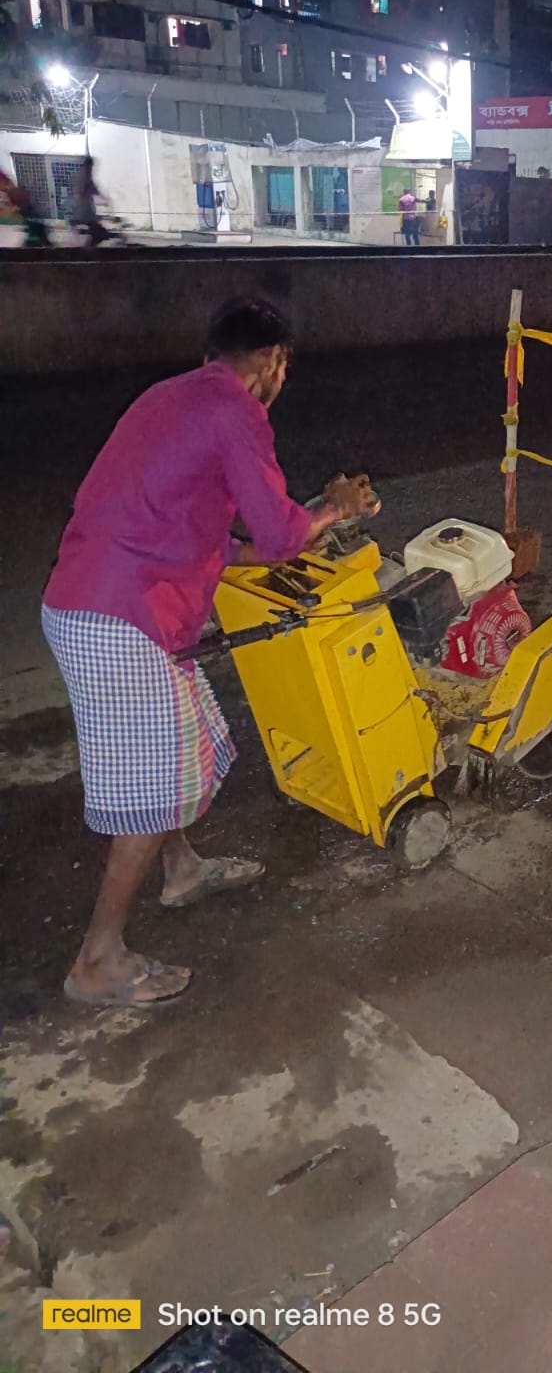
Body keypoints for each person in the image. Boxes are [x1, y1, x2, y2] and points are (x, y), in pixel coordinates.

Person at [42, 296, 377, 1008]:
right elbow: (281, 536)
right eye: (283, 367)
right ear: (272, 362)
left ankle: (182, 870)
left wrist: (292, 531)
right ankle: (98, 960)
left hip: (95, 603)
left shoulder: (168, 397)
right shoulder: (236, 411)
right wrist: (335, 508)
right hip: (121, 617)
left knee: (183, 740)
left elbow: (201, 533)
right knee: (154, 785)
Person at [70, 155, 111, 246]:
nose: (92, 169)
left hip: (85, 212)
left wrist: (104, 200)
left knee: (97, 232)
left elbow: (94, 190)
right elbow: (80, 194)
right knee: (99, 233)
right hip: (83, 213)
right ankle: (88, 248)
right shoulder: (83, 177)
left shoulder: (86, 176)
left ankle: (88, 248)